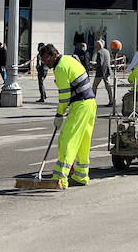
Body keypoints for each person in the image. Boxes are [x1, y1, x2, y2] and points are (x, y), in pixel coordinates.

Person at [41, 42, 98, 187]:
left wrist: (59, 115)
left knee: (67, 140)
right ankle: (81, 175)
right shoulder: (69, 59)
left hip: (80, 105)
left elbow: (64, 97)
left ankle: (60, 178)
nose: (46, 64)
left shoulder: (60, 68)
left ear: (54, 55)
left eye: (47, 60)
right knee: (83, 142)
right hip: (90, 103)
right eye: (43, 61)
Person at [90, 39, 114, 105]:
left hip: (100, 72)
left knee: (94, 86)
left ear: (99, 45)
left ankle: (92, 100)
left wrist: (93, 65)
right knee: (108, 86)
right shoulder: (107, 51)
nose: (95, 46)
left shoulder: (99, 52)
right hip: (107, 71)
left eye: (96, 45)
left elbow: (100, 63)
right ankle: (111, 100)